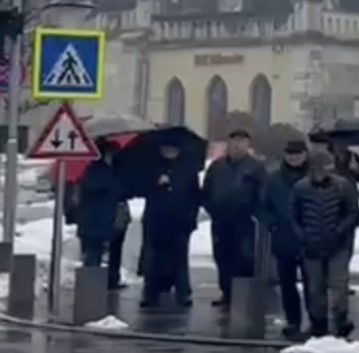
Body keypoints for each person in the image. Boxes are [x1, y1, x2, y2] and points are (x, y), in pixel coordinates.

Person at [292, 148, 359, 338]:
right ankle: (318, 323)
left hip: (338, 244)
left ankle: (340, 320)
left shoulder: (343, 186)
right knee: (315, 287)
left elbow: (353, 212)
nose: (324, 172)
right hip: (311, 244)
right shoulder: (301, 188)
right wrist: (303, 236)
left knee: (338, 284)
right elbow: (294, 216)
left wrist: (339, 231)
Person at [200, 128, 267, 307]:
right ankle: (226, 292)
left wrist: (256, 212)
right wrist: (212, 208)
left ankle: (243, 295)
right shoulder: (217, 167)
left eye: (241, 142)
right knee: (222, 256)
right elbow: (206, 191)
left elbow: (263, 193)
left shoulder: (256, 167)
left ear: (247, 145)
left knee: (244, 257)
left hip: (245, 221)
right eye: (234, 141)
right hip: (221, 219)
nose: (237, 146)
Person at [139, 140, 200, 309]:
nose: (169, 151)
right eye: (165, 148)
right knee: (153, 260)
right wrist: (155, 183)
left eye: (172, 148)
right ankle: (151, 293)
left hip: (179, 221)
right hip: (156, 220)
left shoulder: (188, 169)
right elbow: (141, 188)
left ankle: (183, 293)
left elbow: (195, 195)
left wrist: (190, 218)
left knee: (180, 259)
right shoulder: (152, 167)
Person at [261, 138, 310, 336]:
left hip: (309, 238)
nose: (294, 158)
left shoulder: (313, 176)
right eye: (290, 154)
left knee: (312, 283)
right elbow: (263, 206)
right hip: (283, 237)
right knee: (287, 283)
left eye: (297, 154)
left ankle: (316, 321)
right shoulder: (274, 179)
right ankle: (293, 321)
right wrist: (272, 224)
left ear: (305, 155)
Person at [71, 146, 129, 290]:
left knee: (99, 251)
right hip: (96, 219)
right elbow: (109, 190)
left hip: (98, 218)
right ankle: (90, 287)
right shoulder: (99, 171)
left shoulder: (105, 170)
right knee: (94, 252)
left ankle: (102, 282)